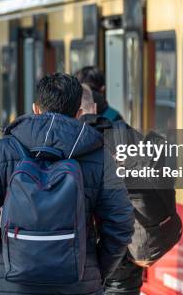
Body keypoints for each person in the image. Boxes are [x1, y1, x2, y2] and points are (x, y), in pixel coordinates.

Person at [0, 73, 134, 294]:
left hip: (16, 281)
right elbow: (120, 221)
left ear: (36, 108)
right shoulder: (98, 155)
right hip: (79, 284)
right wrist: (95, 270)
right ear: (79, 113)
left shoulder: (3, 149)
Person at [77, 83, 143, 294]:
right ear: (94, 108)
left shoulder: (68, 146)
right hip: (125, 260)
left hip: (82, 262)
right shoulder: (126, 135)